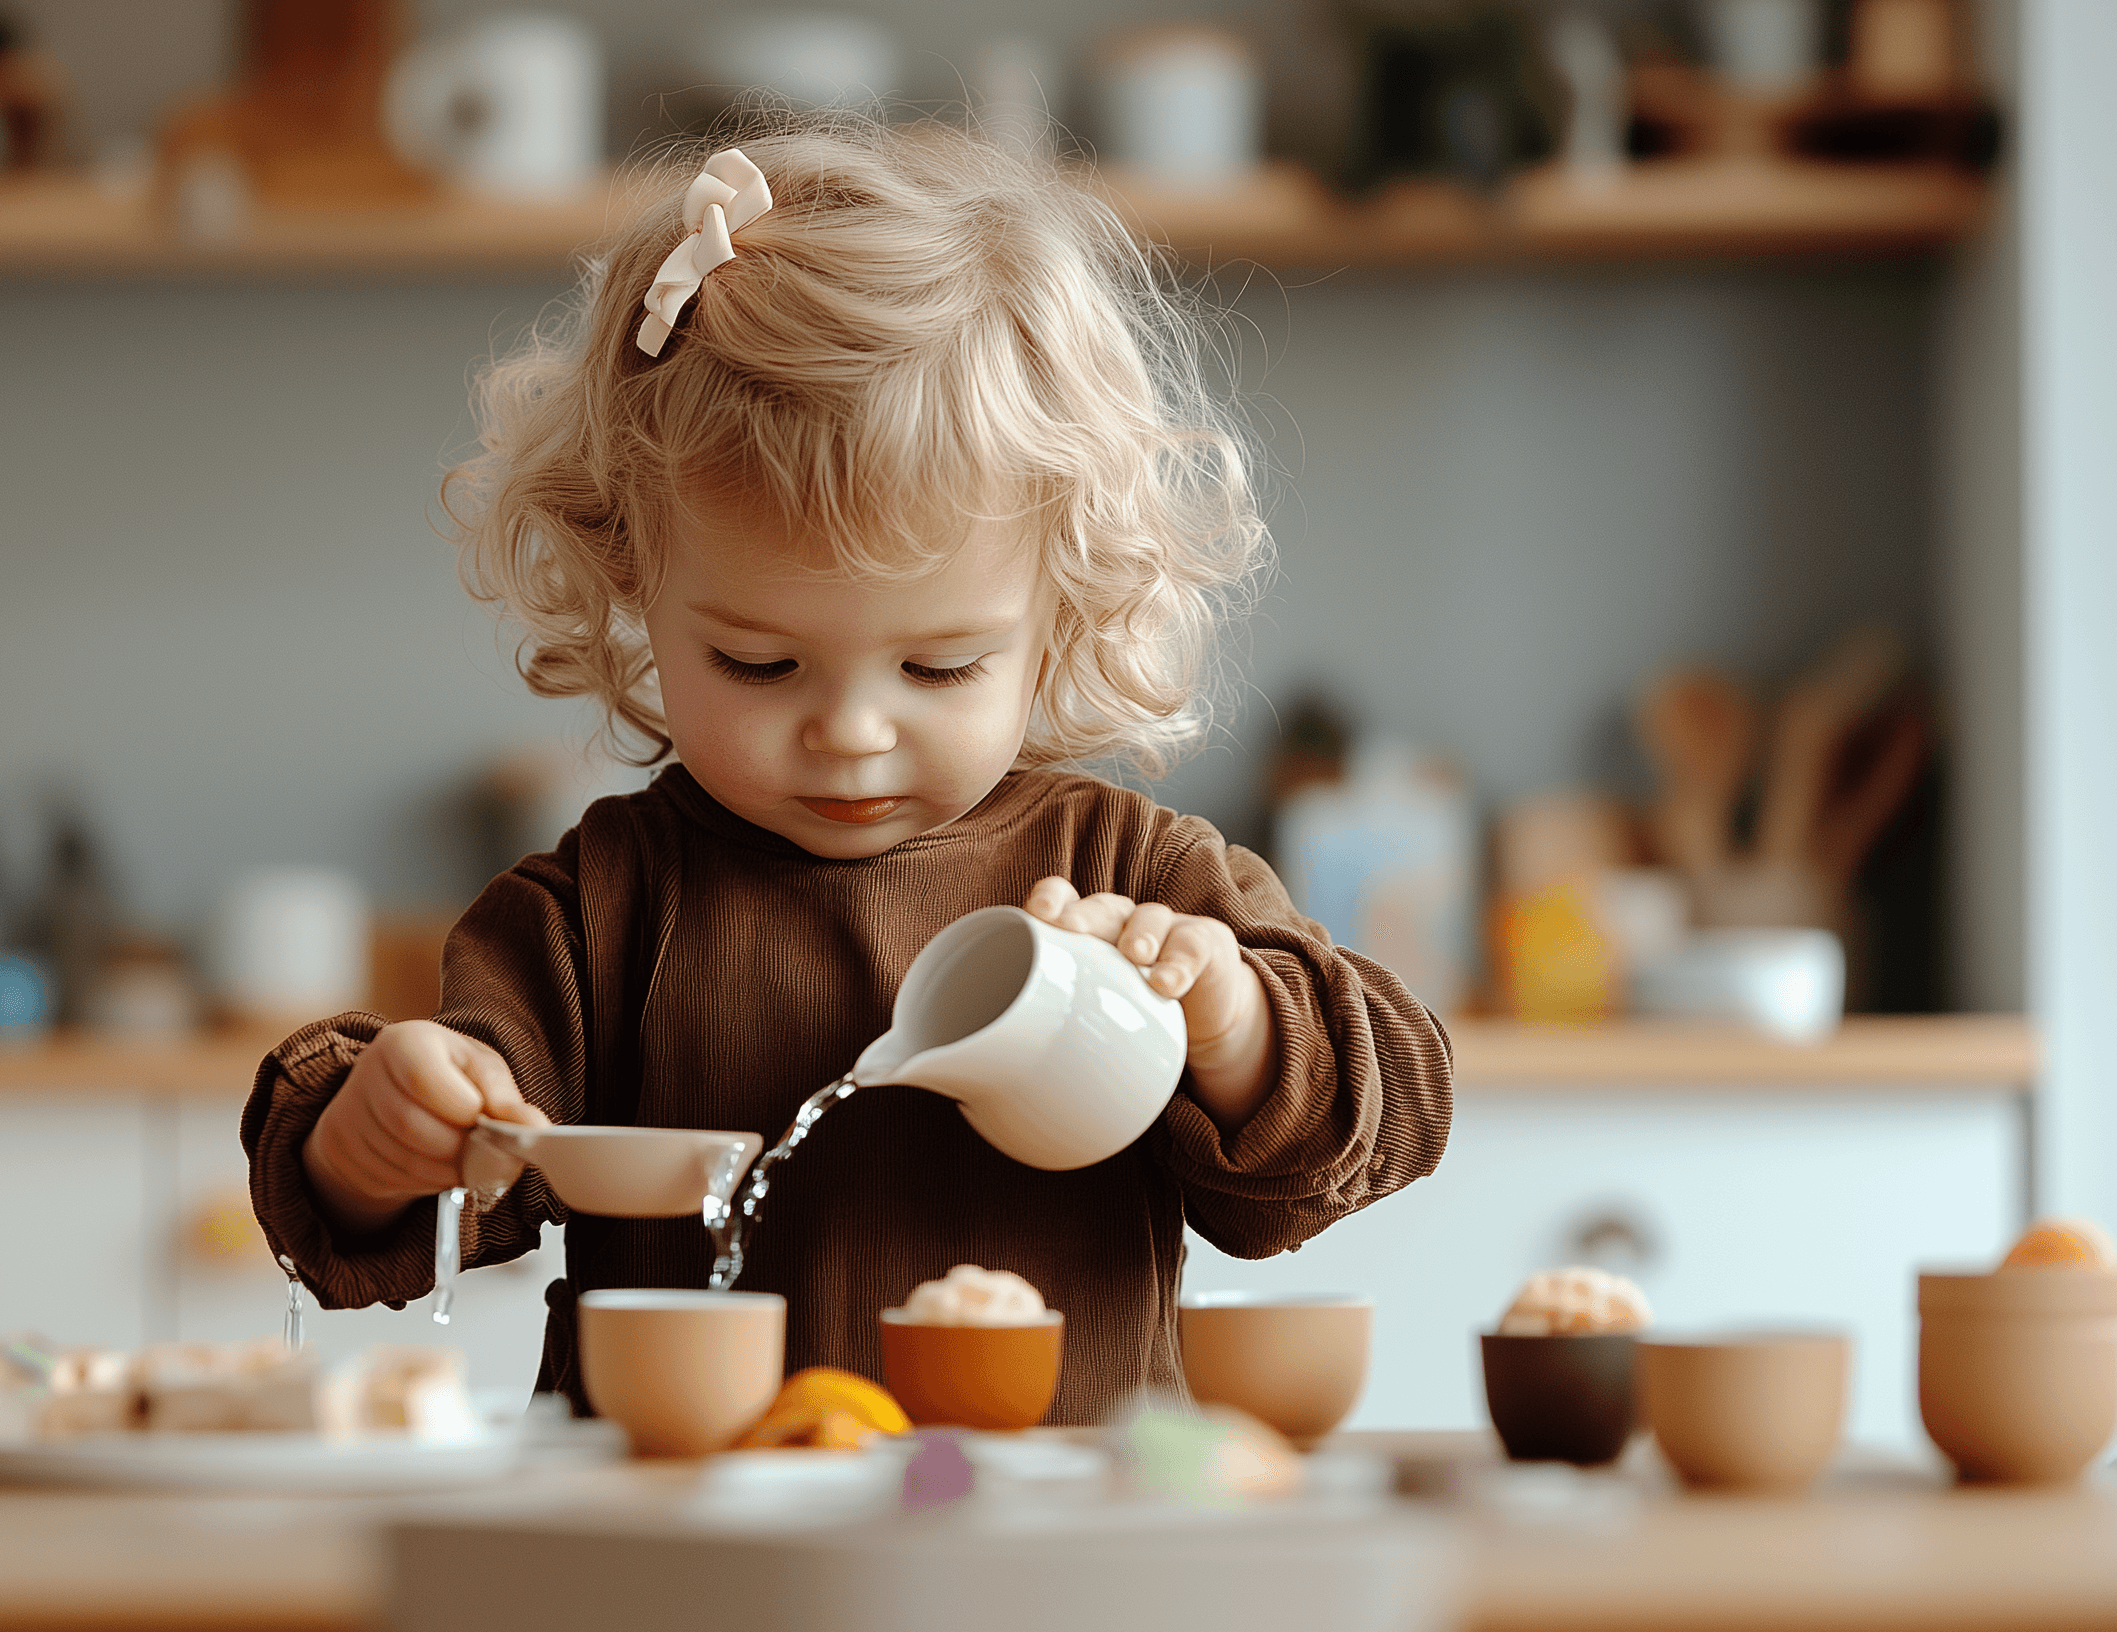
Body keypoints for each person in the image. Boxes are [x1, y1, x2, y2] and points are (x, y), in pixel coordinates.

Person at [245, 115, 1451, 1422]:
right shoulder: (601, 911)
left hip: (1046, 1562)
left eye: (939, 669)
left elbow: (1381, 1114)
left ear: (1064, 609)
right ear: (633, 579)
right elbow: (429, 1197)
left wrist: (1227, 1024)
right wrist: (379, 1139)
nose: (852, 733)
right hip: (683, 1562)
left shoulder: (1134, 885)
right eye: (762, 665)